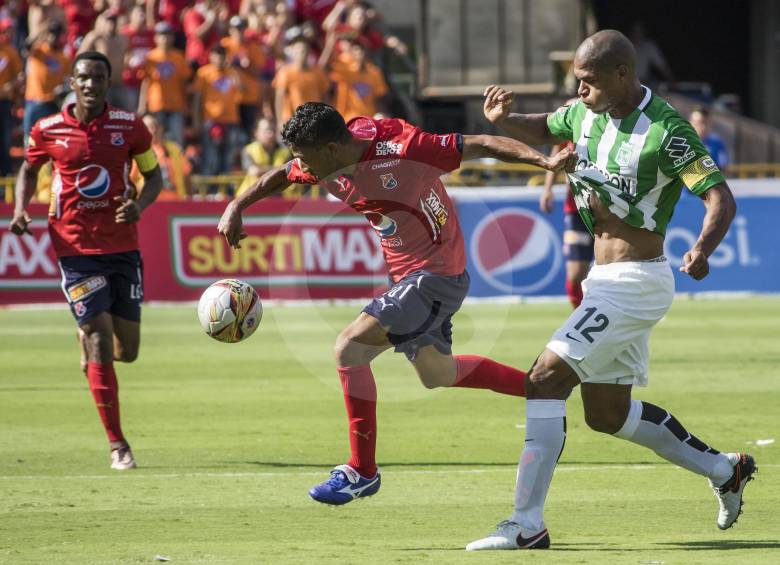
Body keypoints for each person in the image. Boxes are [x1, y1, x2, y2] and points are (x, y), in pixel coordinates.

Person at [468, 30, 755, 550]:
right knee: (607, 415)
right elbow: (545, 124)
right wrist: (506, 121)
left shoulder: (667, 132)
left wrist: (704, 249)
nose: (579, 91)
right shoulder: (584, 113)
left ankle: (525, 524)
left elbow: (720, 200)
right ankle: (723, 469)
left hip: (636, 282)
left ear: (623, 75)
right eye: (576, 82)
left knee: (544, 380)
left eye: (589, 82)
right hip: (603, 281)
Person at [218, 102, 575, 505]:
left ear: (333, 149)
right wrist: (237, 205)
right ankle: (541, 388)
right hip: (409, 276)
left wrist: (544, 161)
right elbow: (281, 176)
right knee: (436, 373)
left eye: (304, 156)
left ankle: (362, 471)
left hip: (436, 275)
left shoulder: (405, 149)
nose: (300, 165)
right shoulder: (322, 161)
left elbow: (484, 143)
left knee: (349, 348)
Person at [9, 51, 163, 470]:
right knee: (98, 337)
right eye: (83, 77)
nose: (91, 83)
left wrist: (140, 207)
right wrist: (21, 209)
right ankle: (118, 444)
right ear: (72, 82)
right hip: (74, 249)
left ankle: (90, 341)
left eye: (98, 77)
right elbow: (28, 170)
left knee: (126, 351)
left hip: (123, 247)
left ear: (108, 83)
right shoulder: (48, 129)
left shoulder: (129, 128)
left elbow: (154, 176)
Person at [539, 102, 593, 309]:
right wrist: (547, 189)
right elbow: (554, 159)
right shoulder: (569, 123)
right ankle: (579, 315)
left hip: (606, 209)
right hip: (576, 210)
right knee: (575, 273)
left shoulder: (604, 125)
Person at [192, 45, 243, 177]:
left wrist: (231, 69)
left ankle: (226, 187)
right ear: (211, 57)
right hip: (211, 119)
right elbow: (197, 98)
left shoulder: (232, 72)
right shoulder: (203, 73)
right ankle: (210, 188)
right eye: (216, 55)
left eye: (222, 56)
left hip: (231, 119)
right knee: (210, 155)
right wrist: (196, 119)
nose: (219, 59)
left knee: (228, 155)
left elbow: (241, 88)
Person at [138, 22, 191, 147]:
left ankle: (177, 165)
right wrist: (142, 105)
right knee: (155, 140)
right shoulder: (150, 57)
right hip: (156, 105)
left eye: (168, 35)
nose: (165, 38)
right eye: (161, 35)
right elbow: (145, 82)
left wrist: (186, 104)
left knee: (177, 140)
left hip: (176, 105)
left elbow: (184, 83)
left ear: (172, 37)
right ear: (156, 38)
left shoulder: (179, 57)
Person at [23, 20, 70, 141]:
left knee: (49, 140)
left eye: (56, 34)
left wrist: (63, 88)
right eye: (51, 34)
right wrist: (39, 31)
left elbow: (67, 80)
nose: (53, 37)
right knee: (30, 139)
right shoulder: (39, 50)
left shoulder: (63, 57)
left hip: (51, 103)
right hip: (34, 101)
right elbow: (26, 48)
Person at [322, 37, 388, 121]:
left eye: (361, 50)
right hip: (349, 119)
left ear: (366, 52)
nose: (359, 53)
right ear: (351, 53)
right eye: (356, 50)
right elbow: (323, 68)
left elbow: (380, 97)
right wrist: (330, 43)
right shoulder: (345, 71)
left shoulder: (374, 72)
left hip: (369, 118)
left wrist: (381, 114)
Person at [131, 113, 191, 200]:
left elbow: (186, 176)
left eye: (156, 126)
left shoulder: (174, 149)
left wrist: (189, 200)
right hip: (151, 205)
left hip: (175, 203)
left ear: (161, 128)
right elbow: (130, 182)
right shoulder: (138, 151)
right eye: (150, 127)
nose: (154, 130)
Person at [78, 10, 130, 110]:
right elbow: (80, 58)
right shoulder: (95, 37)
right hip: (102, 85)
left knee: (126, 115)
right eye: (109, 21)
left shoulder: (123, 38)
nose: (111, 24)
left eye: (114, 21)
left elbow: (127, 56)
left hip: (119, 83)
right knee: (102, 113)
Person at [272, 36, 330, 124]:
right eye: (298, 49)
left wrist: (326, 117)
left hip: (314, 120)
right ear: (293, 51)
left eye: (304, 49)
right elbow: (279, 97)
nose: (302, 52)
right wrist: (279, 120)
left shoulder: (318, 72)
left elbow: (325, 96)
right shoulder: (285, 72)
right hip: (293, 120)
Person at [236, 117, 290, 196]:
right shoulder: (248, 150)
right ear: (256, 133)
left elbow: (288, 172)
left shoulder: (286, 152)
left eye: (273, 130)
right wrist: (279, 169)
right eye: (266, 131)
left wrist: (262, 169)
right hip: (250, 197)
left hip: (280, 197)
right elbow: (254, 171)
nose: (270, 134)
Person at [0, 18, 23, 176]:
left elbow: (20, 76)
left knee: (5, 140)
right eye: (5, 31)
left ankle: (5, 174)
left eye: (10, 31)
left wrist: (13, 85)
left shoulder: (11, 52)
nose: (8, 34)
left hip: (4, 102)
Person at [689, 106, 729, 174]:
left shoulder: (717, 143)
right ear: (690, 123)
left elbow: (723, 167)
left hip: (711, 182)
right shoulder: (683, 142)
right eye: (699, 122)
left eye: (705, 122)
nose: (703, 126)